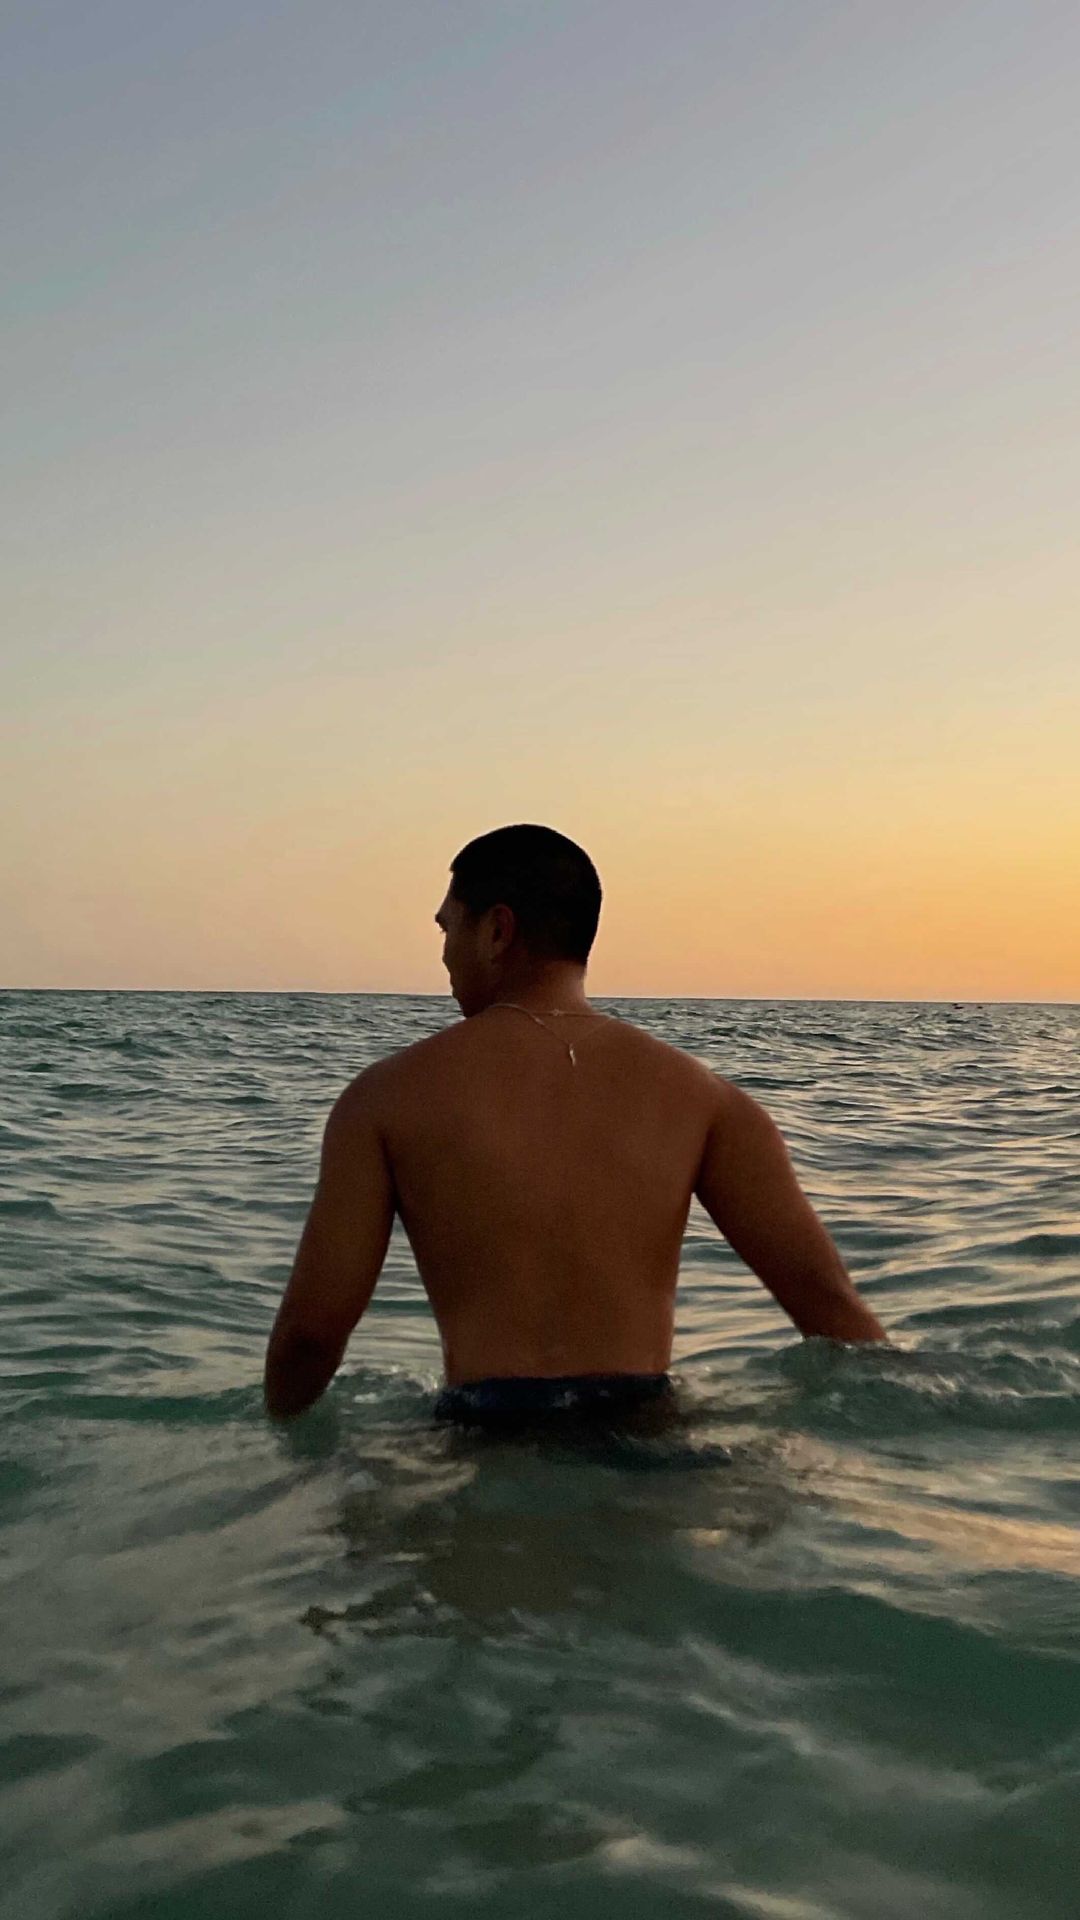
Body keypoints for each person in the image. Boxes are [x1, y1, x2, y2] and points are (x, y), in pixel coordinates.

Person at [263, 824, 885, 1430]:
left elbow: (312, 1335)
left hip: (487, 1444)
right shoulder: (707, 1099)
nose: (444, 953)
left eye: (448, 927)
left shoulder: (385, 1098)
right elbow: (833, 1314)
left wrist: (273, 1448)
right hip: (650, 1435)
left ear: (497, 930)